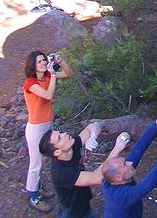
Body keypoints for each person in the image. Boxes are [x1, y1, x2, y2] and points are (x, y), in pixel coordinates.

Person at [101, 100, 157, 217]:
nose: (129, 163)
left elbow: (139, 148)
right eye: (125, 165)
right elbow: (146, 186)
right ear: (117, 178)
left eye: (125, 161)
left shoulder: (112, 180)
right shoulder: (120, 197)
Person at [39, 121, 129, 218]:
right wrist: (116, 149)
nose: (64, 134)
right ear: (57, 152)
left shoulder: (70, 144)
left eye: (60, 133)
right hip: (73, 212)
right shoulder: (62, 173)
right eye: (60, 138)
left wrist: (93, 136)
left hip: (81, 202)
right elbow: (97, 178)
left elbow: (93, 126)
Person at [23, 50, 74, 213]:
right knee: (36, 163)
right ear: (33, 65)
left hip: (47, 125)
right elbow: (47, 96)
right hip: (36, 129)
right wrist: (52, 74)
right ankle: (34, 196)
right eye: (39, 62)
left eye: (44, 60)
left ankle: (38, 187)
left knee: (47, 159)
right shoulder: (30, 83)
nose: (44, 63)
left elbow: (69, 73)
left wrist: (61, 61)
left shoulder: (46, 76)